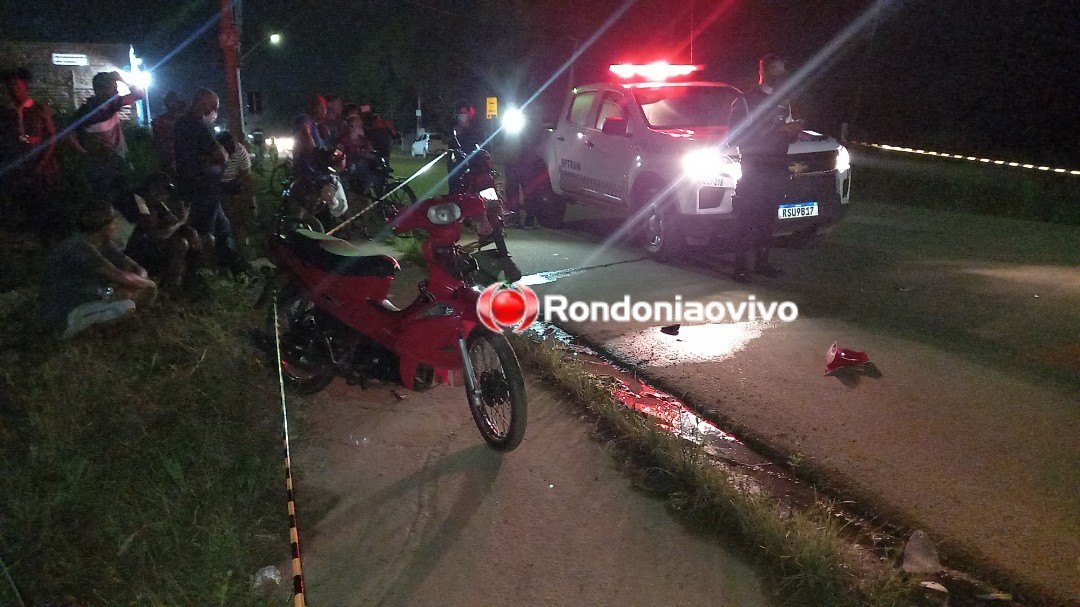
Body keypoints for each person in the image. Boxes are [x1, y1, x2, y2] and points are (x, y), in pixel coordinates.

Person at [727, 54, 802, 283]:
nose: (782, 77)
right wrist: (775, 132)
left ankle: (762, 263)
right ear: (765, 72)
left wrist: (791, 132)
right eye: (777, 72)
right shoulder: (745, 102)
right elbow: (734, 138)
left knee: (768, 218)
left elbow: (787, 132)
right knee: (747, 218)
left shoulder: (784, 102)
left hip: (776, 167)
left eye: (784, 72)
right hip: (754, 168)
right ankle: (740, 267)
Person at [41, 202, 157, 339]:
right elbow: (120, 276)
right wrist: (137, 285)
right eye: (114, 221)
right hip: (69, 306)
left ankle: (103, 330)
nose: (116, 225)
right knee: (128, 305)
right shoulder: (79, 247)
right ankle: (78, 330)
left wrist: (132, 286)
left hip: (92, 296)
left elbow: (136, 269)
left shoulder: (103, 243)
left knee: (140, 292)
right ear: (105, 225)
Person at [173, 87, 247, 274]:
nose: (214, 111)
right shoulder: (198, 125)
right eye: (213, 106)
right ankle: (199, 275)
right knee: (205, 233)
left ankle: (234, 267)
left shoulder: (182, 124)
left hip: (196, 186)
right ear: (203, 103)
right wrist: (212, 161)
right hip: (202, 188)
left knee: (222, 228)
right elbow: (221, 155)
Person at [0, 67, 62, 243]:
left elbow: (51, 138)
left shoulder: (39, 110)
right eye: (11, 87)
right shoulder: (5, 113)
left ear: (25, 87)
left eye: (18, 87)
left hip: (40, 167)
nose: (14, 91)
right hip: (17, 167)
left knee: (42, 205)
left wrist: (42, 163)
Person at [116, 171, 203, 289]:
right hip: (130, 250)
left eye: (166, 191)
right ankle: (166, 287)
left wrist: (184, 224)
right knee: (180, 244)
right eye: (162, 189)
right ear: (151, 187)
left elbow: (172, 222)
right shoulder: (138, 199)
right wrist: (180, 222)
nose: (164, 194)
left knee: (191, 234)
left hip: (149, 245)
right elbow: (156, 234)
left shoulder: (157, 203)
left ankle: (192, 281)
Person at [72, 71, 146, 204]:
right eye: (113, 87)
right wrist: (87, 153)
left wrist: (122, 79)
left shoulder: (113, 105)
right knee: (106, 202)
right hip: (100, 168)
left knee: (126, 201)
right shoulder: (86, 112)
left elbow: (140, 94)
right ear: (101, 90)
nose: (117, 90)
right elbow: (69, 136)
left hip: (119, 163)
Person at [215, 130, 256, 248]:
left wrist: (252, 201)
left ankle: (240, 239)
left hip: (234, 181)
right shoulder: (211, 151)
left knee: (237, 213)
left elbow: (246, 174)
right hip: (215, 182)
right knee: (222, 213)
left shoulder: (239, 150)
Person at [152, 91, 186, 176]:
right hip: (167, 158)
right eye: (169, 101)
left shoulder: (184, 120)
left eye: (173, 101)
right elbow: (157, 140)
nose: (171, 104)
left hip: (182, 158)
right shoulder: (158, 121)